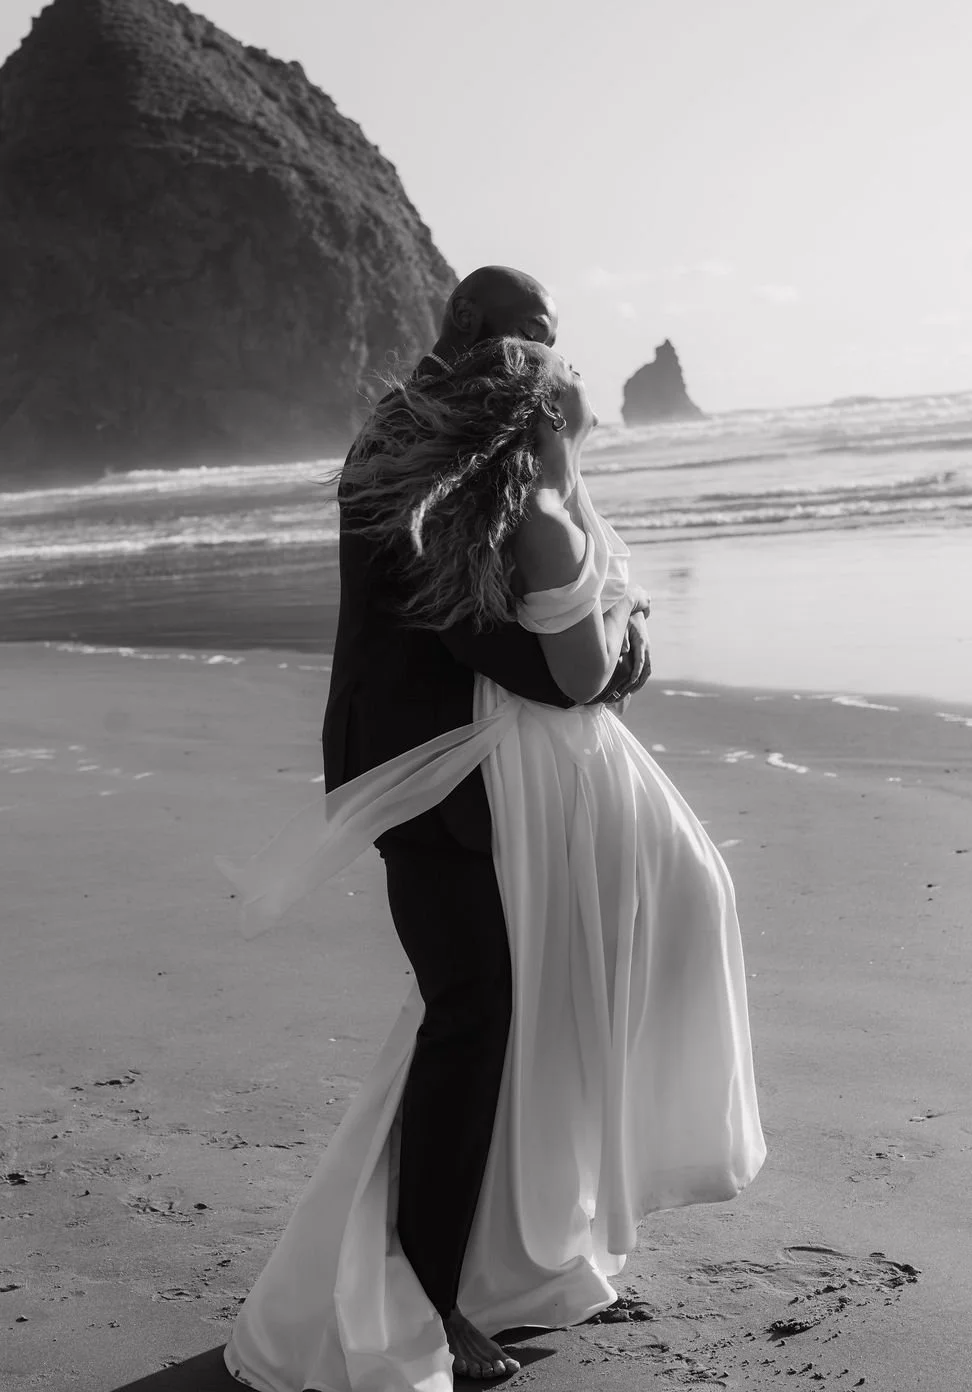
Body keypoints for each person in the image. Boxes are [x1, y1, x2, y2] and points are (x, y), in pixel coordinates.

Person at [222, 332, 764, 1392]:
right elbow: (570, 674)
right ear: (541, 404)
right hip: (509, 775)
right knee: (504, 1004)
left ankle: (518, 1245)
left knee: (525, 1003)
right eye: (567, 374)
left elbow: (539, 655)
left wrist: (605, 617)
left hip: (519, 771)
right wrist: (620, 620)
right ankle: (430, 1285)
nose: (587, 387)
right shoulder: (503, 501)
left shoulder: (488, 497)